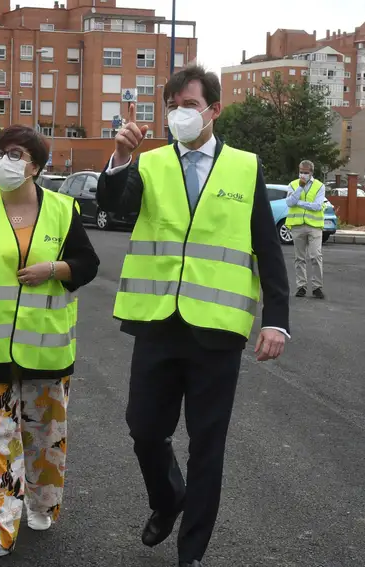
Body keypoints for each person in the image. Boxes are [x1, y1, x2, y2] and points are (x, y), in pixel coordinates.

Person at [96, 64, 290, 567]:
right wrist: (120, 158)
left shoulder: (245, 167)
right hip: (158, 322)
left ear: (214, 110)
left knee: (207, 445)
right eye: (173, 106)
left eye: (190, 105)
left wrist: (276, 318)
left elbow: (267, 248)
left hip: (217, 331)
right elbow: (115, 209)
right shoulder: (151, 162)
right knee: (143, 429)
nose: (180, 114)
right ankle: (167, 499)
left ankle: (192, 554)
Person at [0, 125, 99, 565]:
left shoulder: (64, 209)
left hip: (45, 349)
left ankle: (41, 504)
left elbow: (87, 264)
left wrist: (55, 267)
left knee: (44, 436)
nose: (3, 161)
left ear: (36, 167)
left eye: (15, 154)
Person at [286, 160, 326, 299]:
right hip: (297, 225)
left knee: (315, 256)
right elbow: (289, 202)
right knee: (299, 258)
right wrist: (300, 188)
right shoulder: (293, 184)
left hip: (314, 226)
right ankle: (301, 286)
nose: (303, 174)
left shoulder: (319, 186)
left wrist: (299, 203)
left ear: (311, 172)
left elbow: (317, 206)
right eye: (301, 171)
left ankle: (317, 287)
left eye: (305, 172)